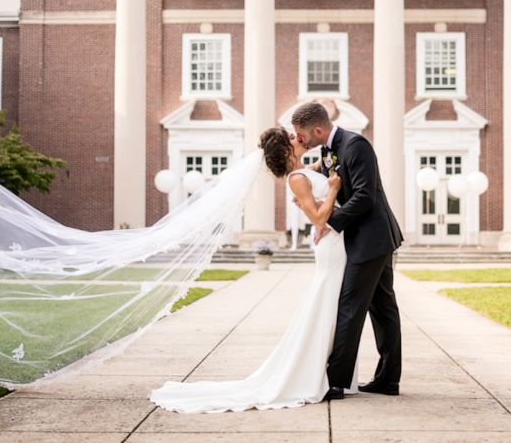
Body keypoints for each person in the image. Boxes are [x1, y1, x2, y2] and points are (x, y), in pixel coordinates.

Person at [148, 126, 358, 413]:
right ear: (286, 150)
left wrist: (325, 183)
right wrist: (332, 189)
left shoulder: (303, 171)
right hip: (331, 244)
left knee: (333, 305)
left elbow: (317, 189)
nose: (299, 137)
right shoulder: (297, 179)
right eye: (292, 138)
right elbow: (319, 219)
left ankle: (329, 370)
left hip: (337, 242)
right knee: (328, 304)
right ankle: (317, 372)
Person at [290, 102, 403, 401]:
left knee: (351, 307)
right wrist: (308, 198)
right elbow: (327, 181)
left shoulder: (356, 145)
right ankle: (388, 380)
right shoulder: (329, 149)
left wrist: (329, 223)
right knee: (383, 309)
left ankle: (336, 382)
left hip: (371, 239)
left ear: (317, 130)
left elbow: (365, 196)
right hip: (368, 238)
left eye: (300, 135)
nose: (299, 140)